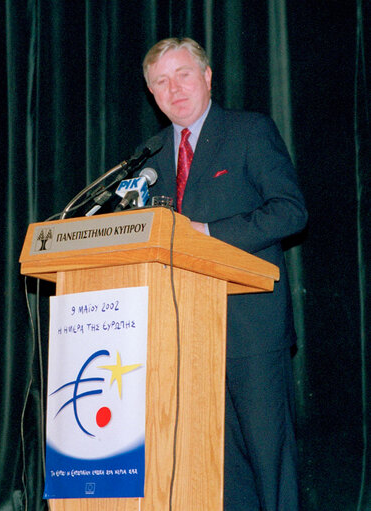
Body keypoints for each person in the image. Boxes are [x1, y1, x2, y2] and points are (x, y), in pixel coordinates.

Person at [141, 37, 308, 511]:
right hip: (184, 337)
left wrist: (207, 232)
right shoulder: (148, 157)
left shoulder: (249, 131)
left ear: (208, 77)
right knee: (216, 474)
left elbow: (290, 212)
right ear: (152, 94)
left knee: (269, 469)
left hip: (251, 330)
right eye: (160, 82)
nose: (174, 90)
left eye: (184, 75)